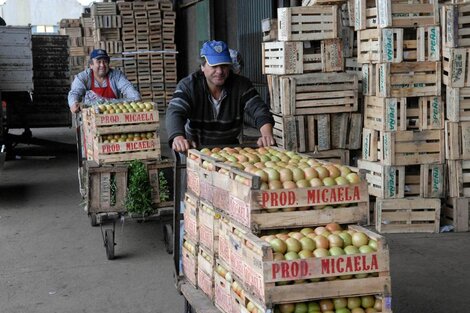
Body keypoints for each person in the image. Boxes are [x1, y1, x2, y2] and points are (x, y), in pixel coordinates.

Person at [166, 40, 275, 153]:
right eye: (214, 66)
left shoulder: (241, 85)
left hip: (230, 149)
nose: (219, 71)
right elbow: (175, 111)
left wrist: (266, 134)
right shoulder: (189, 86)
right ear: (202, 67)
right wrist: (178, 137)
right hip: (195, 148)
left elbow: (258, 109)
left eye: (224, 66)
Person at [68, 49, 141, 113]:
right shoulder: (83, 77)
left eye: (105, 61)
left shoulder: (116, 75)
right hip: (91, 116)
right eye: (98, 62)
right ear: (91, 65)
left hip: (112, 115)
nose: (102, 65)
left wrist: (135, 97)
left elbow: (127, 87)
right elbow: (75, 92)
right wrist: (73, 103)